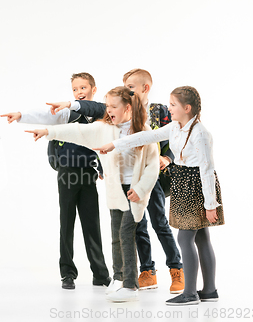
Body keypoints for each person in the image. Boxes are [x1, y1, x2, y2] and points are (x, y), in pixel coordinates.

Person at [26, 86, 159, 302]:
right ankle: (118, 278)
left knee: (127, 235)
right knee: (117, 236)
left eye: (113, 106)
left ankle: (130, 284)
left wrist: (141, 190)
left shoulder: (143, 130)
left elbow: (152, 167)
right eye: (107, 106)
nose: (108, 110)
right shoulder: (105, 129)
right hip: (115, 190)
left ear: (127, 108)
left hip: (134, 192)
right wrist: (49, 132)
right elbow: (78, 132)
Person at [96, 86, 224, 305]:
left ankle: (190, 293)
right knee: (201, 237)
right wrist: (114, 144)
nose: (169, 108)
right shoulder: (175, 127)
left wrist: (210, 204)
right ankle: (210, 290)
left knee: (186, 238)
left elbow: (206, 169)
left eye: (173, 105)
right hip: (183, 182)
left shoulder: (200, 133)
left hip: (196, 185)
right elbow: (148, 136)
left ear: (187, 108)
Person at [1, 73, 110, 290]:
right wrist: (21, 115)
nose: (79, 93)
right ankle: (67, 274)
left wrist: (102, 168)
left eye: (83, 88)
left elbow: (101, 115)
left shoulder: (101, 113)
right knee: (66, 224)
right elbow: (44, 115)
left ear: (93, 89)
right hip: (67, 173)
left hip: (88, 173)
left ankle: (100, 274)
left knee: (92, 224)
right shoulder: (67, 112)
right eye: (75, 90)